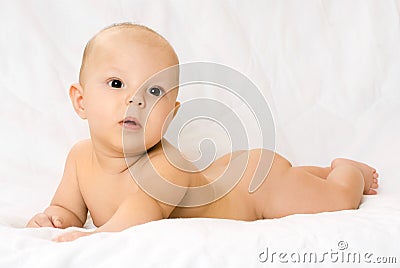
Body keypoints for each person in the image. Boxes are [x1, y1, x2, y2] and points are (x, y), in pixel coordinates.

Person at [26, 23, 379, 242]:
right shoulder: (78, 158)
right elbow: (69, 210)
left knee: (335, 200)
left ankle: (347, 170)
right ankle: (313, 173)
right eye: (117, 83)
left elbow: (137, 217)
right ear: (81, 100)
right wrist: (57, 218)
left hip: (257, 188)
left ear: (172, 113)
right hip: (233, 170)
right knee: (301, 180)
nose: (135, 100)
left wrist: (91, 240)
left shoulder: (165, 166)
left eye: (154, 92)